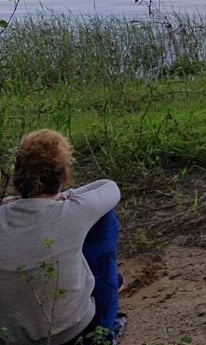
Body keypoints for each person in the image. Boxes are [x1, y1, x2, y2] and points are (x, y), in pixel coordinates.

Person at [0, 129, 124, 345]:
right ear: (64, 176)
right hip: (73, 334)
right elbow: (110, 187)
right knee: (105, 218)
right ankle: (104, 323)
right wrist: (67, 197)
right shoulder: (74, 210)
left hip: (11, 337)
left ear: (17, 176)